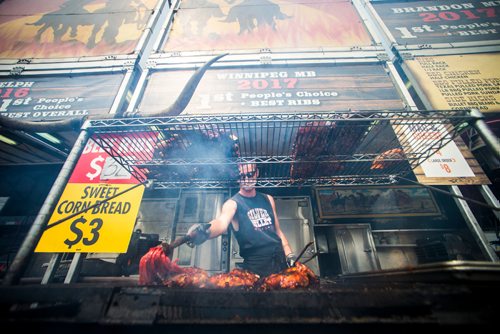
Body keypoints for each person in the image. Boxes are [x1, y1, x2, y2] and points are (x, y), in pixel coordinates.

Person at [187, 163, 296, 277]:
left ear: (257, 173)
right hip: (256, 269)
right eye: (242, 176)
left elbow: (278, 232)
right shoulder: (232, 204)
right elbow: (221, 223)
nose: (246, 179)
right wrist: (205, 231)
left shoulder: (268, 199)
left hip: (280, 263)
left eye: (250, 174)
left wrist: (289, 254)